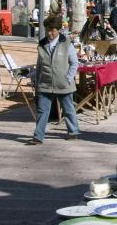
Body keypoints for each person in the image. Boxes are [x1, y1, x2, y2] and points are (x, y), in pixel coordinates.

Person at [28, 15, 81, 145]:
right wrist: (36, 79)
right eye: (47, 30)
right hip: (45, 83)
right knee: (42, 111)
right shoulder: (41, 44)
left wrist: (68, 78)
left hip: (63, 83)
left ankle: (73, 131)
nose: (49, 33)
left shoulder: (67, 43)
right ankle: (38, 136)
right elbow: (39, 64)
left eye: (52, 30)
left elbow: (74, 63)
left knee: (68, 109)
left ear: (58, 30)